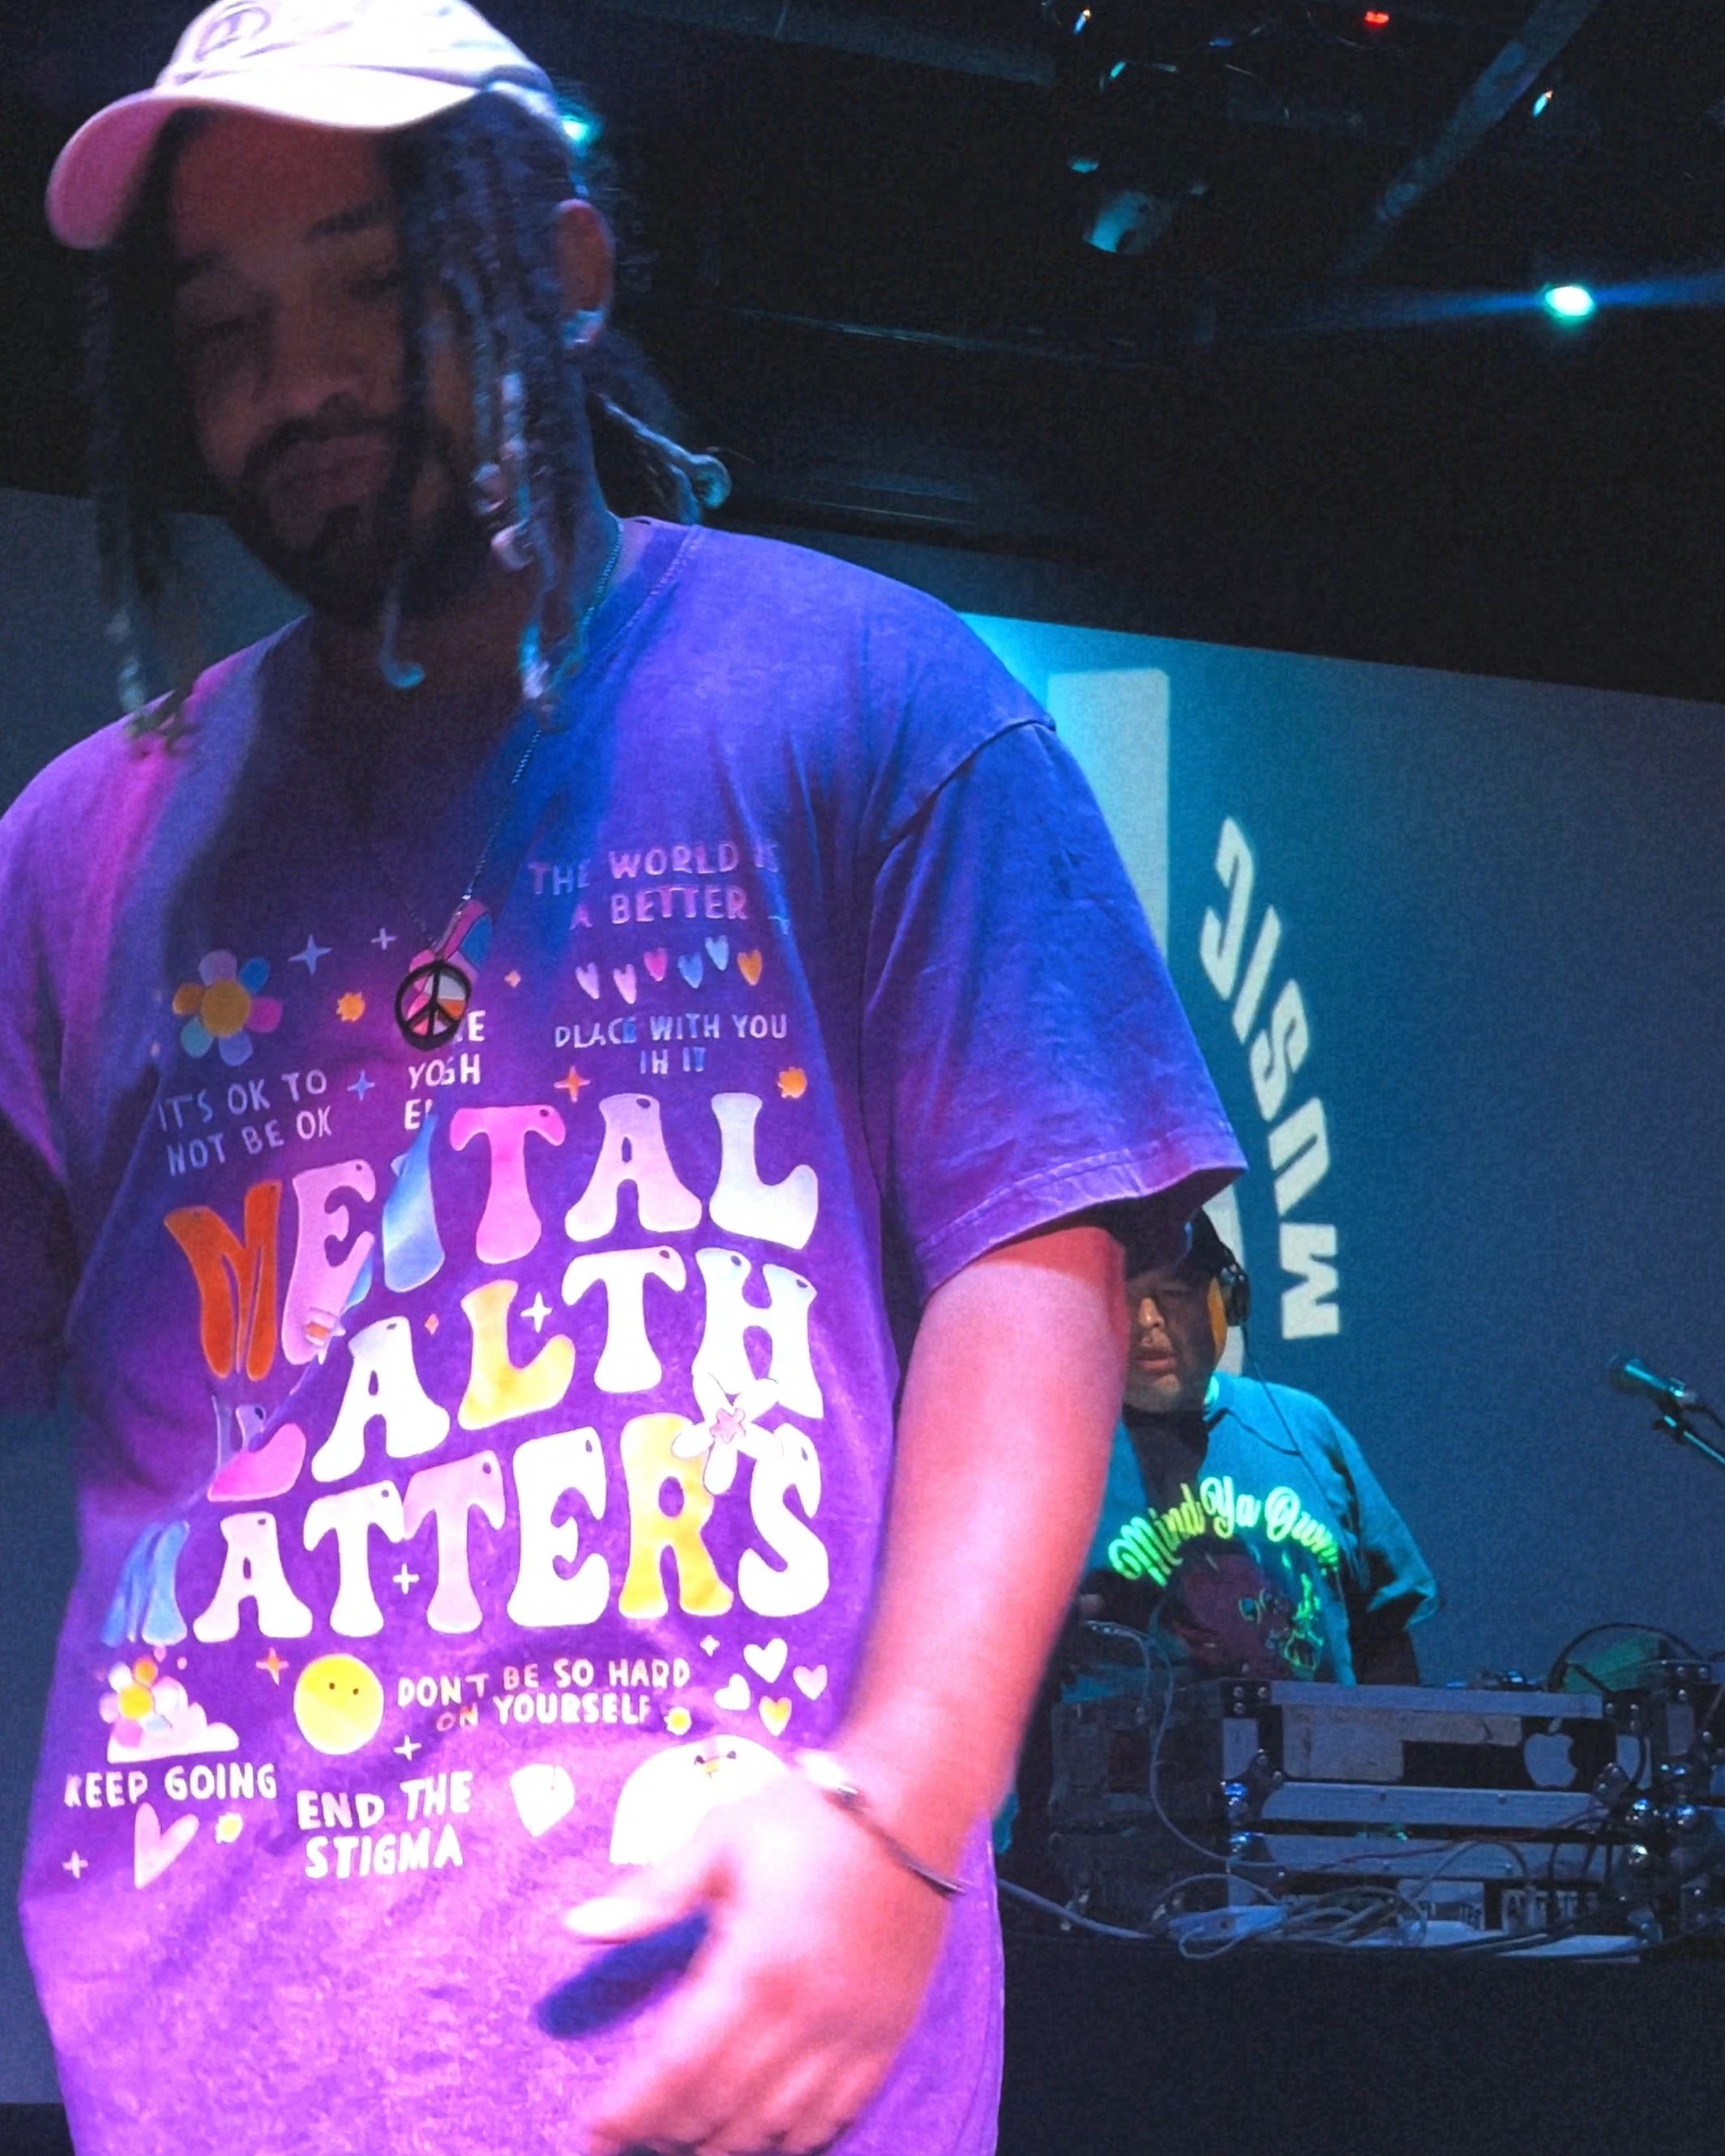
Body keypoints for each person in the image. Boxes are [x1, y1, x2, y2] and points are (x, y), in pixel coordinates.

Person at [2, 5, 1243, 2154]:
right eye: (223, 330)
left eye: (373, 288)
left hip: (735, 2054)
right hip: (209, 2064)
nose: (296, 382)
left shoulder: (864, 695)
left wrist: (901, 1809)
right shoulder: (83, 845)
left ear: (567, 270)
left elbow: (1034, 1255)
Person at [1083, 1213, 1438, 1683]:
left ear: (1230, 1298)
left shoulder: (1305, 1426)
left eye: (1174, 1292)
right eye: (1120, 1296)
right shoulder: (1048, 1453)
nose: (1146, 1319)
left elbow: (1386, 1636)